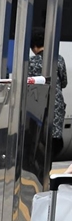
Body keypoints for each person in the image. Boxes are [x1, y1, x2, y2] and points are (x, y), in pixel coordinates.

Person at [29, 26, 68, 161]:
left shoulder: (31, 62)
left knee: (39, 144)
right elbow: (64, 82)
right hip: (56, 106)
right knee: (54, 140)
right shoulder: (59, 59)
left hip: (37, 109)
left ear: (33, 46)